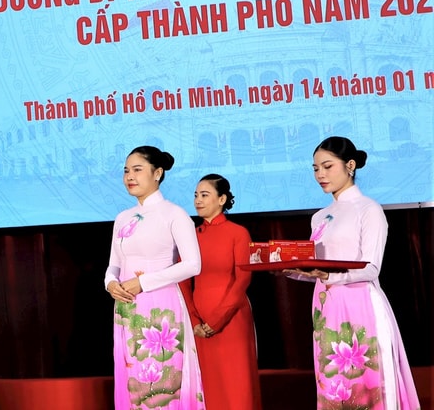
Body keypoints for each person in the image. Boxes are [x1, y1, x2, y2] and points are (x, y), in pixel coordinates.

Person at [285, 137, 420, 409]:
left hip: (361, 304)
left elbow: (371, 268)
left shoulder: (368, 209)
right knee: (334, 383)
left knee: (369, 382)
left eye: (327, 166)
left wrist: (330, 277)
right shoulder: (320, 216)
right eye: (315, 169)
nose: (320, 175)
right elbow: (318, 267)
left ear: (350, 165)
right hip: (326, 306)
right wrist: (292, 271)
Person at [105, 146, 205, 410]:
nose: (130, 176)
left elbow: (193, 264)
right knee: (133, 375)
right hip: (127, 306)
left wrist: (143, 282)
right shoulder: (122, 218)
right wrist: (110, 284)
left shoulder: (174, 214)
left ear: (158, 173)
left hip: (160, 304)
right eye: (126, 170)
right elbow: (114, 265)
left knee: (161, 378)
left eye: (137, 170)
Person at [180, 174, 261, 410]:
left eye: (205, 195)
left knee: (238, 383)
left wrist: (216, 321)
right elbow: (184, 282)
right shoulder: (191, 236)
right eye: (196, 195)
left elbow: (242, 279)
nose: (198, 200)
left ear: (222, 199)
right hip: (199, 320)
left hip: (232, 317)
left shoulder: (238, 233)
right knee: (208, 384)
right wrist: (195, 320)